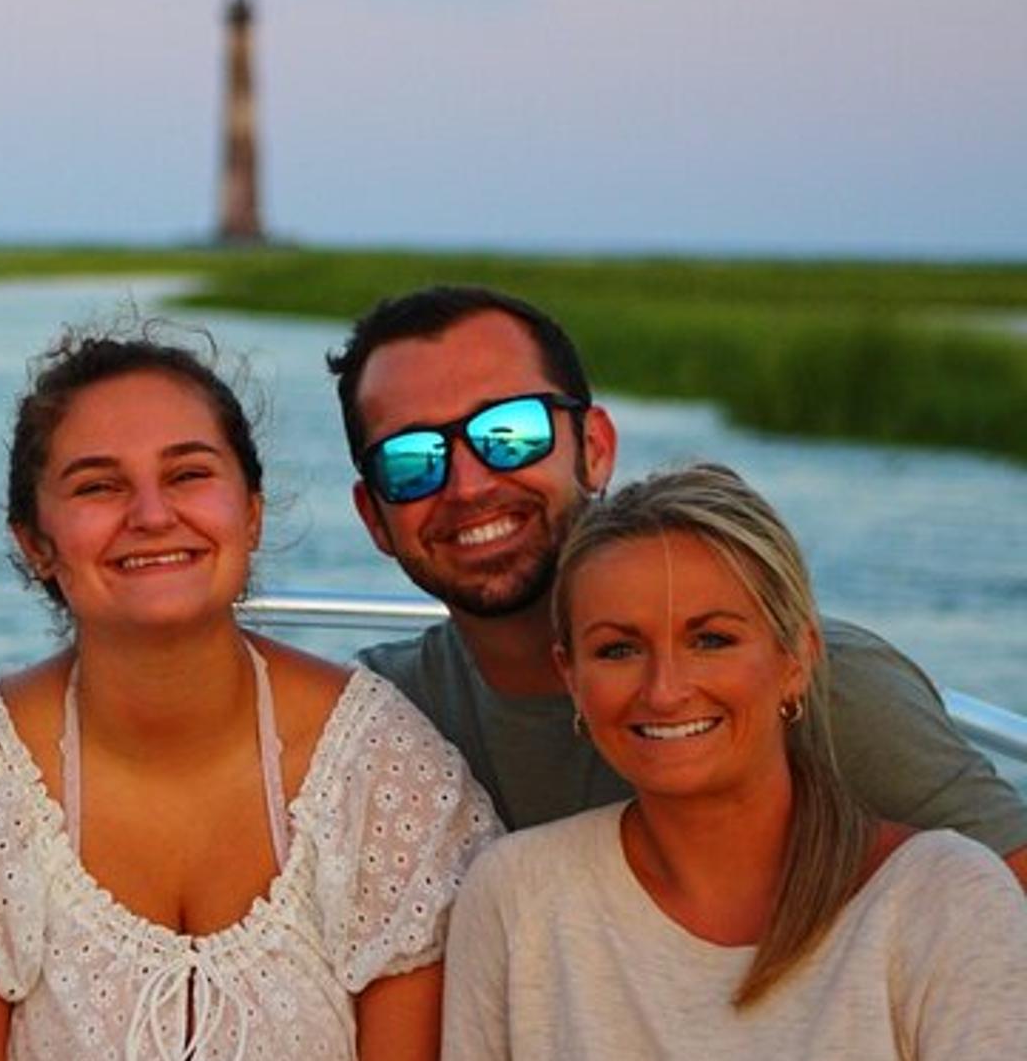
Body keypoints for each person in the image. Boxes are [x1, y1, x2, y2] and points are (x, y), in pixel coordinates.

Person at [0, 324, 499, 1061]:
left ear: (250, 513)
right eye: (98, 485)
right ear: (36, 543)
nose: (151, 513)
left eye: (188, 474)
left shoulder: (378, 763)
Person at [427, 463, 1027, 1061]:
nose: (666, 688)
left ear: (796, 659)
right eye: (619, 648)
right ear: (571, 675)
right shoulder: (517, 895)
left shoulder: (946, 902)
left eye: (711, 638)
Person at [327, 284, 1027, 881]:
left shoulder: (819, 687)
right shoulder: (379, 719)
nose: (470, 482)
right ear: (374, 516)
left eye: (512, 432)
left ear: (595, 448)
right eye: (411, 460)